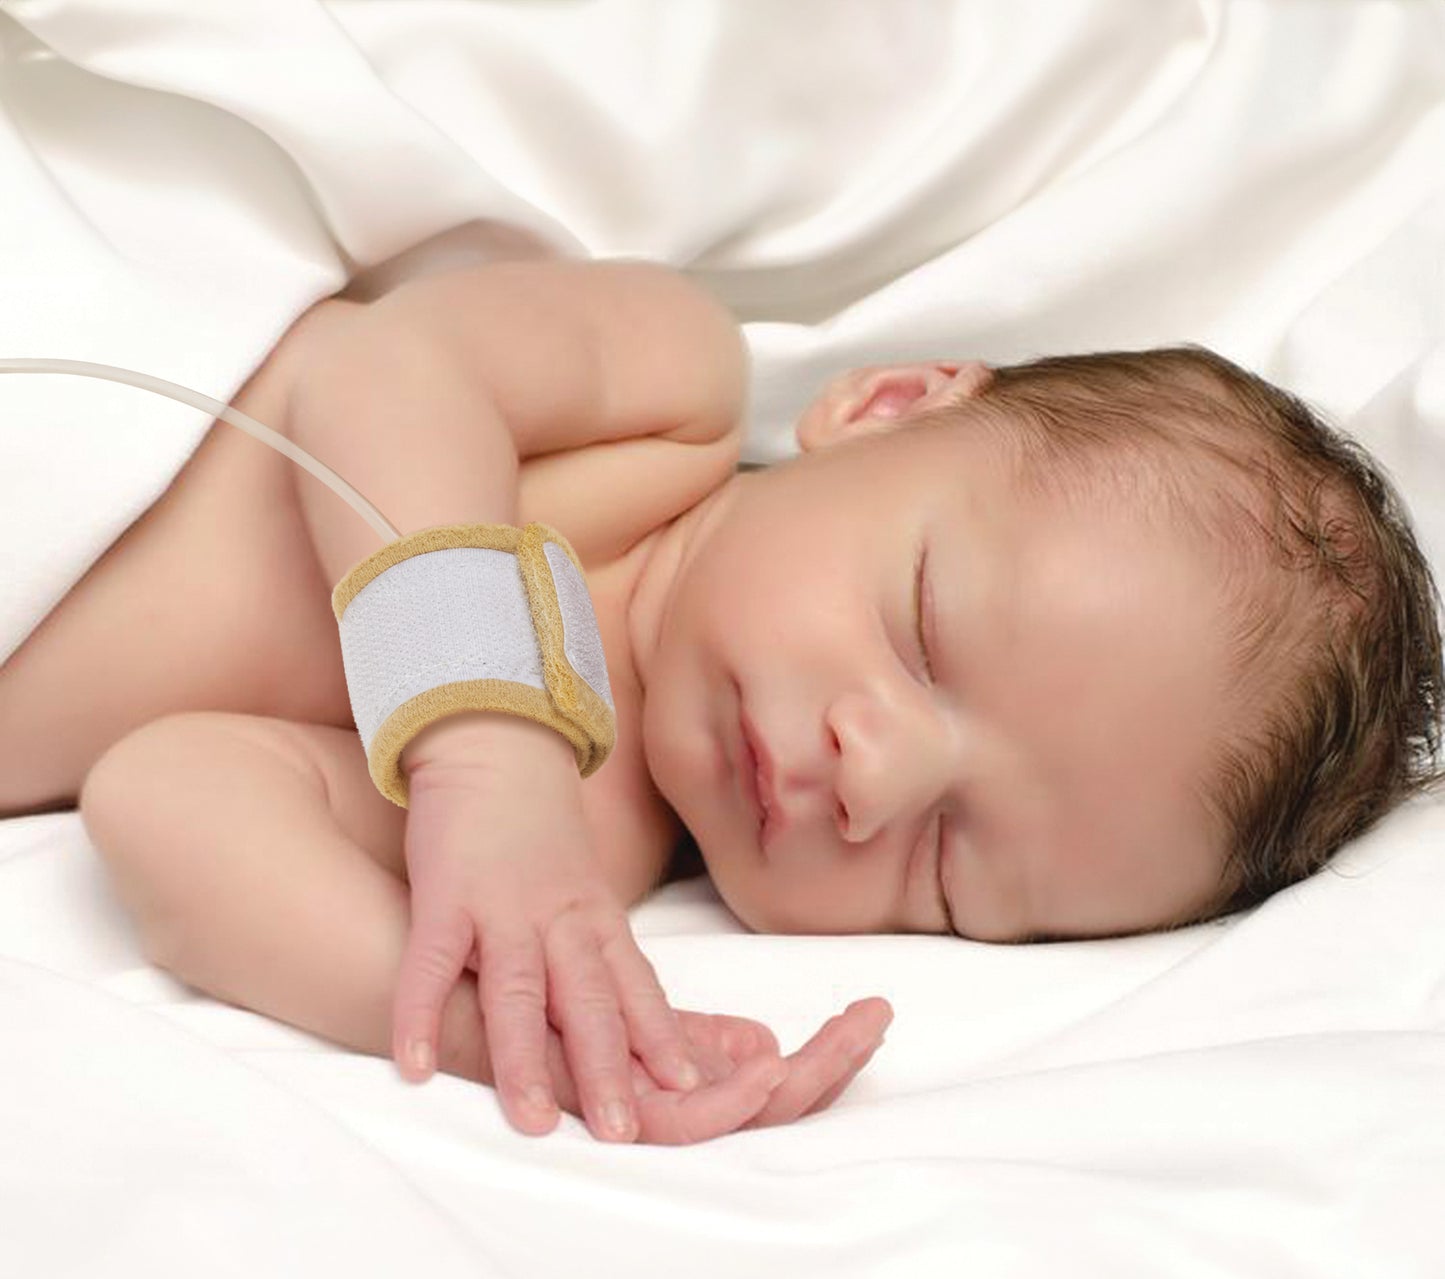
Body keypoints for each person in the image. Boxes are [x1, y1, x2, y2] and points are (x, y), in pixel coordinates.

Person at [36, 256, 1443, 1146]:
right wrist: (484, 743)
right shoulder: (663, 396)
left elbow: (167, 796)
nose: (875, 777)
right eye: (924, 634)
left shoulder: (576, 848)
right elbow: (380, 362)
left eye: (950, 864)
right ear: (885, 406)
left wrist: (501, 1026)